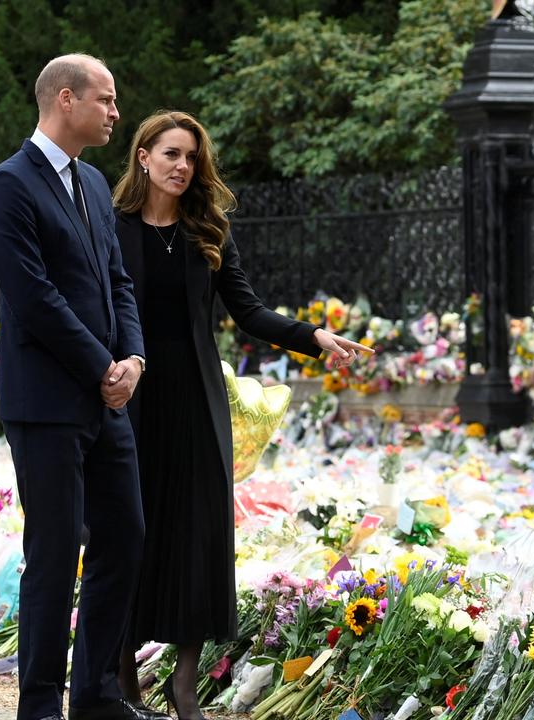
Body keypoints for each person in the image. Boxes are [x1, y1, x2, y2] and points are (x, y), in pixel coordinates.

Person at [110, 110, 372, 720]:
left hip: (199, 400)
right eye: (171, 153)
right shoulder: (111, 228)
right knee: (131, 533)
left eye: (192, 157)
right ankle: (122, 676)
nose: (183, 166)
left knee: (199, 536)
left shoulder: (210, 229)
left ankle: (182, 680)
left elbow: (249, 313)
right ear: (143, 157)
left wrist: (315, 338)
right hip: (132, 399)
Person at [0, 54, 151, 720]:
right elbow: (34, 297)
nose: (115, 113)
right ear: (66, 98)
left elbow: (117, 283)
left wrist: (132, 358)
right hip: (48, 403)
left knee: (125, 537)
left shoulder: (94, 183)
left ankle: (98, 696)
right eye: (106, 100)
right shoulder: (10, 185)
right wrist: (100, 368)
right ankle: (42, 705)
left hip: (107, 398)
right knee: (53, 554)